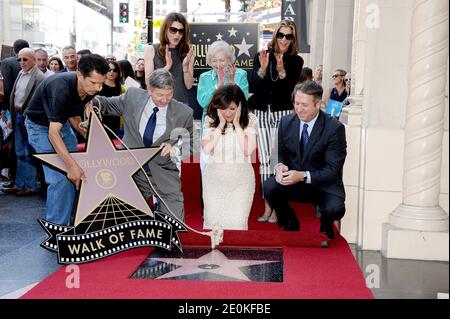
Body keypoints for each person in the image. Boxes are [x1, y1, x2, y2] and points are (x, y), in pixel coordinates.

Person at [90, 69, 193, 221]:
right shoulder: (132, 97)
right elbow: (105, 104)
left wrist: (176, 148)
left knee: (174, 223)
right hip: (131, 171)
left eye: (169, 94)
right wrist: (89, 101)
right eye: (159, 95)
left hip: (163, 173)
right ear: (149, 90)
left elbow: (193, 143)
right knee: (125, 222)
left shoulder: (184, 112)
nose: (164, 100)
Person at [24, 54, 109, 225]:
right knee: (61, 177)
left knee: (78, 173)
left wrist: (88, 134)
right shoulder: (60, 88)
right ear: (79, 75)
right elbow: (53, 133)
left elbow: (72, 113)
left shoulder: (92, 88)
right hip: (40, 127)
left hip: (63, 125)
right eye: (93, 83)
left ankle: (71, 218)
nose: (97, 88)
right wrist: (71, 165)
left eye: (101, 83)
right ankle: (57, 228)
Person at [263, 81, 347, 239]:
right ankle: (289, 222)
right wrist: (279, 166)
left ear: (318, 104)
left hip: (323, 184)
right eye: (296, 103)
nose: (298, 109)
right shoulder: (286, 122)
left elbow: (333, 169)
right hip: (294, 182)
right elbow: (278, 155)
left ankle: (326, 226)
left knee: (335, 208)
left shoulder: (334, 128)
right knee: (269, 186)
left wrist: (302, 175)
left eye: (304, 105)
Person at [249, 20, 304, 224]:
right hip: (263, 112)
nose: (283, 40)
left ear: (293, 40)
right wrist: (263, 69)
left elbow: (287, 90)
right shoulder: (261, 56)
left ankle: (276, 209)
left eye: (288, 36)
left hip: (283, 114)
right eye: (280, 35)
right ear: (275, 36)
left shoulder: (296, 61)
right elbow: (255, 86)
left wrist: (281, 71)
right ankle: (267, 208)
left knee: (278, 161)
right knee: (264, 161)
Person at [201, 84, 257, 230]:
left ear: (240, 106)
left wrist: (237, 125)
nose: (227, 113)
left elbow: (247, 150)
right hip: (214, 182)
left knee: (237, 225)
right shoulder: (210, 120)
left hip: (241, 183)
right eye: (223, 108)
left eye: (232, 109)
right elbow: (208, 148)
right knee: (213, 226)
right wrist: (220, 126)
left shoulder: (250, 120)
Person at [1, 48, 45, 196]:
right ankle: (20, 184)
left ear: (33, 59)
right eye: (19, 59)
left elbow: (37, 101)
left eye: (25, 59)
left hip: (29, 119)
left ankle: (30, 185)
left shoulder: (39, 77)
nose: (21, 62)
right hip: (18, 116)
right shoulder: (21, 73)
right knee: (19, 152)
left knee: (28, 152)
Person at [197, 40, 249, 135]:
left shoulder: (241, 74)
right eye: (214, 60)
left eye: (221, 60)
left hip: (235, 124)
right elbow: (203, 103)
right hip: (211, 124)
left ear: (229, 60)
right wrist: (218, 85)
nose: (218, 64)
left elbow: (244, 100)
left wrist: (232, 82)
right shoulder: (204, 77)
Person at [144, 12, 194, 104]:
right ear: (165, 30)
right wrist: (167, 67)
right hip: (158, 104)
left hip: (180, 105)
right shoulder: (151, 50)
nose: (177, 34)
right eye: (173, 30)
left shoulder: (188, 52)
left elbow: (189, 85)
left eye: (181, 31)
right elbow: (148, 83)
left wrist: (185, 68)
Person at [98, 60, 125, 137]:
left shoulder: (122, 89)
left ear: (118, 72)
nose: (111, 72)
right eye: (109, 70)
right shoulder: (98, 86)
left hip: (116, 120)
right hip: (101, 119)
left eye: (114, 70)